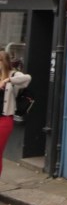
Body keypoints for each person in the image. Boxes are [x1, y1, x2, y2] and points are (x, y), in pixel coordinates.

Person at [0, 49, 31, 177]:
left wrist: (8, 80)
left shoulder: (13, 75)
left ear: (4, 62)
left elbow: (27, 78)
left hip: (4, 120)